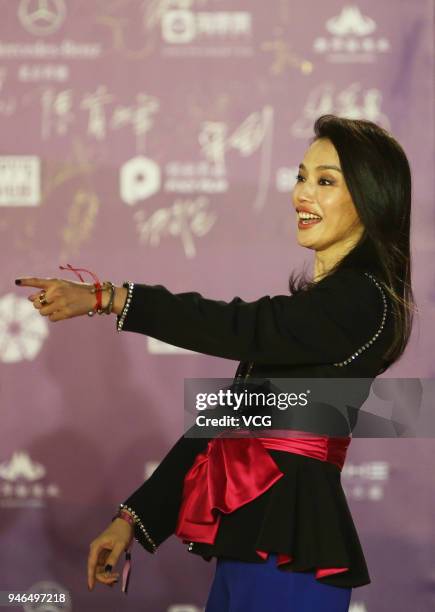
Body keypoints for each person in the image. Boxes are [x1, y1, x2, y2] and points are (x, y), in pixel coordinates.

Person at [15, 114, 415, 611]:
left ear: (372, 197)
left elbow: (239, 326)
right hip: (250, 546)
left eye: (326, 181)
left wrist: (112, 298)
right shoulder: (326, 309)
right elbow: (230, 422)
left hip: (292, 554)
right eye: (301, 177)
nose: (302, 194)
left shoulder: (362, 300)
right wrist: (131, 520)